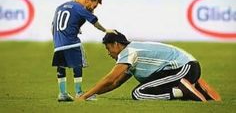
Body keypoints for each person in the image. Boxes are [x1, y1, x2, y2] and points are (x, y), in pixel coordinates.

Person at [76, 31, 221, 102]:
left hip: (184, 68)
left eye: (108, 48)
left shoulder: (128, 52)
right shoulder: (132, 53)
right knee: (144, 89)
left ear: (116, 44)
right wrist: (92, 94)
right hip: (186, 67)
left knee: (139, 93)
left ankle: (184, 90)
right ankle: (194, 86)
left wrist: (84, 96)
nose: (108, 53)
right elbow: (116, 82)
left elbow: (110, 79)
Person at [51, 0, 116, 102]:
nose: (93, 8)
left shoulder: (60, 7)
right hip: (72, 43)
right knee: (78, 65)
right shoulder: (79, 8)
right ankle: (79, 93)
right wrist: (105, 30)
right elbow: (94, 20)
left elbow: (53, 26)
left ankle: (62, 93)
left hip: (58, 45)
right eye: (94, 5)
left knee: (61, 67)